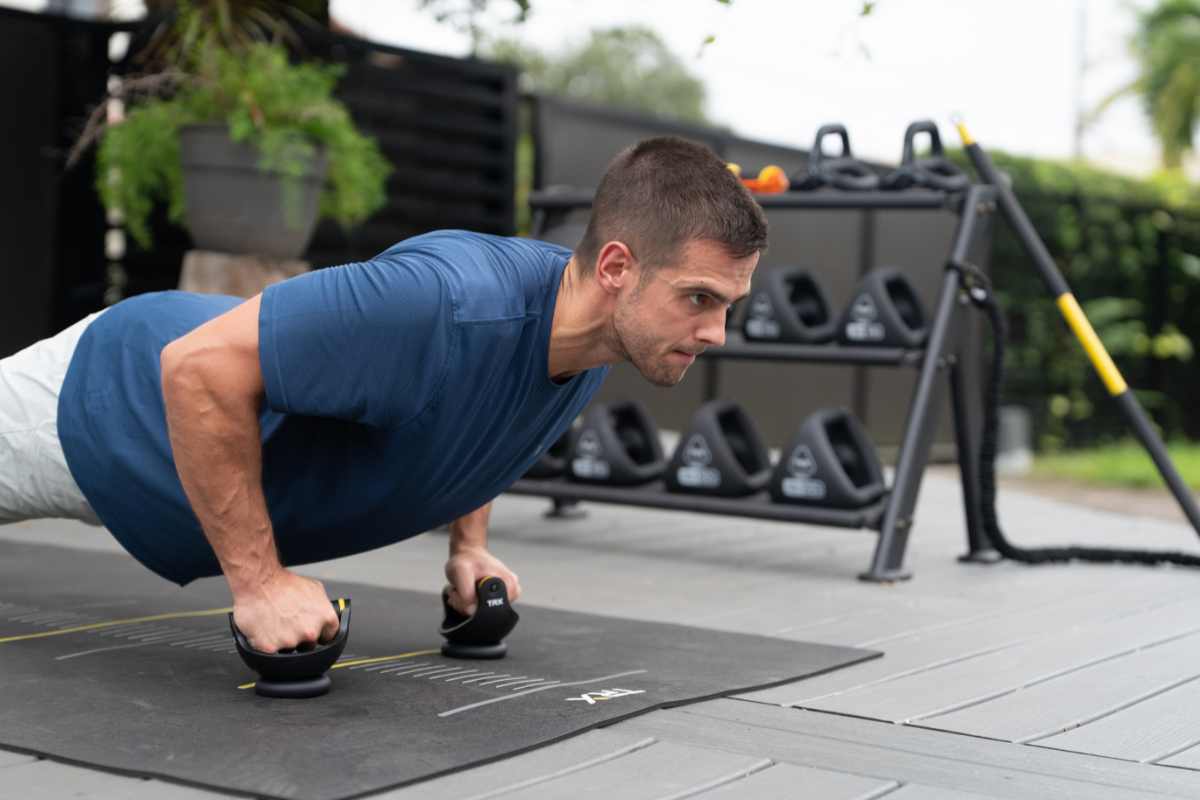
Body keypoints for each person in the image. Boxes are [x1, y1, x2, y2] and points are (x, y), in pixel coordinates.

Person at [0, 135, 768, 652]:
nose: (717, 332)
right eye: (699, 298)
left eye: (729, 304)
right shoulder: (439, 302)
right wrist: (260, 585)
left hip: (175, 445)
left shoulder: (597, 333)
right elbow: (195, 368)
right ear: (616, 268)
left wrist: (470, 547)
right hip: (109, 403)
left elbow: (489, 410)